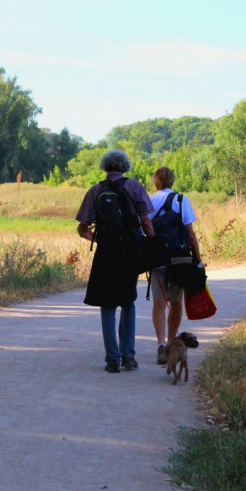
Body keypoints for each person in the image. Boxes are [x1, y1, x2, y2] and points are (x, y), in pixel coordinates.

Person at [76, 150, 155, 373]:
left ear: (105, 167)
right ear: (125, 167)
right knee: (128, 303)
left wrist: (96, 237)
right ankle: (128, 356)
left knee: (108, 304)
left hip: (106, 253)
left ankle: (112, 359)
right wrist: (150, 247)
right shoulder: (135, 187)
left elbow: (81, 227)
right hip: (129, 252)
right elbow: (146, 222)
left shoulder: (95, 191)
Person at [147, 166, 203, 364]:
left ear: (156, 181)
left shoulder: (149, 201)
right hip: (179, 261)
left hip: (157, 259)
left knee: (159, 304)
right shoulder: (181, 200)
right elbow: (190, 234)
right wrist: (198, 259)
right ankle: (172, 341)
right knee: (176, 302)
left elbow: (144, 229)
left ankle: (161, 344)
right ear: (173, 180)